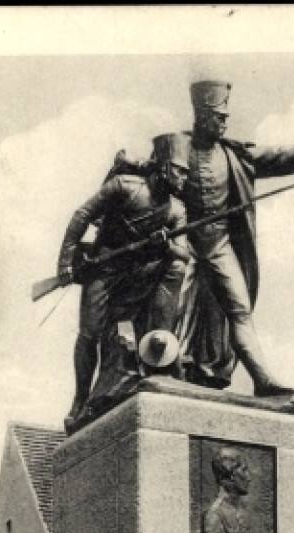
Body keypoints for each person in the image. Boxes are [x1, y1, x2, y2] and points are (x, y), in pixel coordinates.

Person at [175, 80, 294, 407]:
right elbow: (147, 179)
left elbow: (283, 157)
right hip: (181, 245)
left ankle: (264, 381)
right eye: (218, 116)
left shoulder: (236, 156)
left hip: (218, 245)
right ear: (201, 116)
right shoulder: (175, 148)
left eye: (225, 117)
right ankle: (165, 367)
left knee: (239, 310)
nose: (224, 122)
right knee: (171, 312)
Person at [57, 134, 190, 434]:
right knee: (89, 334)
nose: (185, 178)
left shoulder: (177, 210)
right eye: (181, 171)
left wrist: (167, 244)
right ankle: (80, 399)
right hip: (104, 268)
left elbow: (184, 253)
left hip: (138, 276)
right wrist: (65, 261)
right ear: (165, 167)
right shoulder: (125, 187)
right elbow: (82, 215)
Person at [202, 447, 254, 533]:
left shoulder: (243, 512)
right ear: (230, 475)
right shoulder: (215, 516)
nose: (249, 478)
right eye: (244, 470)